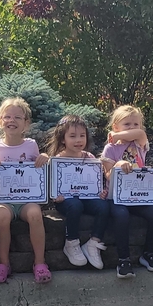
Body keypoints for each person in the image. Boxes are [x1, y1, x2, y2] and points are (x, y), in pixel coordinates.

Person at [0, 97, 51, 284]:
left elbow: (39, 167)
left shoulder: (30, 145)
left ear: (26, 123)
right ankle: (3, 264)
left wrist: (44, 158)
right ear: (0, 121)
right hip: (2, 199)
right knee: (2, 218)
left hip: (25, 200)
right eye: (7, 116)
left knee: (35, 215)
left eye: (17, 117)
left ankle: (40, 263)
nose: (12, 120)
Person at [102, 105, 153, 278]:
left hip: (139, 196)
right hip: (117, 197)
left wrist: (116, 135)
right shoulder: (110, 149)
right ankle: (123, 259)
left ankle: (149, 253)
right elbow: (108, 175)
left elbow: (139, 134)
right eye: (127, 124)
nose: (132, 128)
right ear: (116, 126)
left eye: (135, 124)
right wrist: (117, 165)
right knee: (121, 216)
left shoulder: (140, 143)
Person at [47, 114, 112, 270]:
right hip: (66, 201)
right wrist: (55, 196)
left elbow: (95, 182)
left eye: (82, 136)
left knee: (104, 207)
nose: (78, 140)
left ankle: (93, 243)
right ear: (63, 139)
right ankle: (71, 242)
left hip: (86, 197)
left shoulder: (89, 158)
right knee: (75, 205)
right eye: (73, 136)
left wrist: (100, 192)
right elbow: (51, 185)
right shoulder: (56, 160)